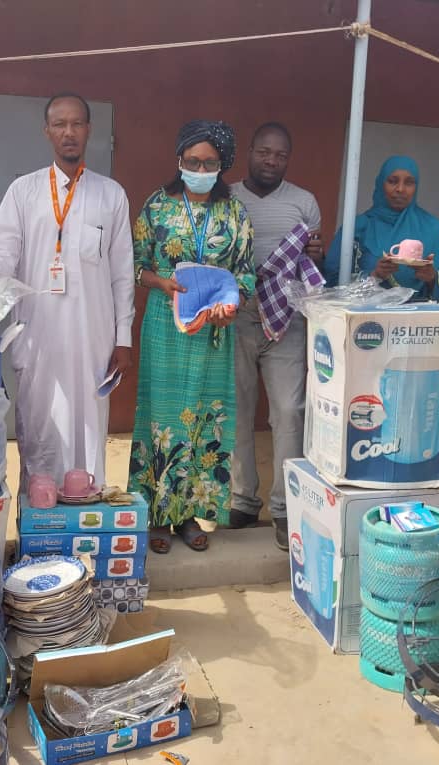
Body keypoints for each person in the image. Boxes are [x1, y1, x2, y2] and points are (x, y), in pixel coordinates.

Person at [0, 93, 135, 489]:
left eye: (77, 124)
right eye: (60, 124)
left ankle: (87, 511)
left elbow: (122, 273)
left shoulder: (111, 194)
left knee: (88, 426)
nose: (69, 132)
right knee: (39, 423)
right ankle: (39, 515)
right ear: (47, 131)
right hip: (39, 335)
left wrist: (123, 338)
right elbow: (0, 253)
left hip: (93, 338)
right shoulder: (24, 192)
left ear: (89, 130)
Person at [129, 120, 255, 553]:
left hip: (213, 335)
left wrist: (232, 304)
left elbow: (247, 272)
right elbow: (134, 264)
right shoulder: (157, 207)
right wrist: (161, 283)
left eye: (210, 162)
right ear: (179, 161)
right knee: (163, 419)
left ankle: (188, 515)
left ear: (222, 166)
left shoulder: (233, 214)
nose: (200, 168)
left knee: (202, 420)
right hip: (166, 327)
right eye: (192, 161)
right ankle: (158, 516)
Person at [228, 122, 322, 550]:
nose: (272, 161)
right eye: (265, 152)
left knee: (288, 411)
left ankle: (284, 509)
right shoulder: (227, 197)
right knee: (237, 410)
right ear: (250, 151)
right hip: (236, 317)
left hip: (287, 319)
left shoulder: (304, 202)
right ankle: (241, 501)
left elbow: (314, 253)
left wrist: (317, 251)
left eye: (280, 155)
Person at [323, 155, 439, 302]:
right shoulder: (357, 228)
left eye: (409, 183)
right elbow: (332, 281)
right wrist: (374, 276)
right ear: (381, 183)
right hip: (366, 318)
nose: (400, 189)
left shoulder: (434, 229)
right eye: (392, 181)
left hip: (419, 320)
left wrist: (432, 278)